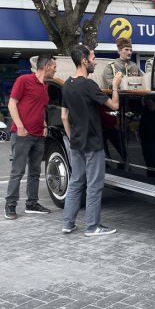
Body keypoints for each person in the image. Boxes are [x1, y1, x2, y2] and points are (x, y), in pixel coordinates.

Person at [61, 45, 122, 236]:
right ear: (84, 60)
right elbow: (114, 105)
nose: (95, 61)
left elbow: (64, 116)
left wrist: (72, 138)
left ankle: (68, 223)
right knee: (94, 185)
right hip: (93, 142)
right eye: (93, 57)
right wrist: (115, 85)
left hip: (77, 143)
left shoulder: (67, 84)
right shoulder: (88, 85)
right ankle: (92, 227)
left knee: (76, 182)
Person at [4, 54, 57, 220]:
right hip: (22, 134)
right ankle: (10, 205)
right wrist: (19, 125)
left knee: (35, 171)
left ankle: (31, 203)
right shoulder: (24, 80)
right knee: (18, 171)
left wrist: (45, 125)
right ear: (46, 66)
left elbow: (40, 108)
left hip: (38, 135)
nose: (55, 70)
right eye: (54, 67)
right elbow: (12, 103)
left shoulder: (45, 86)